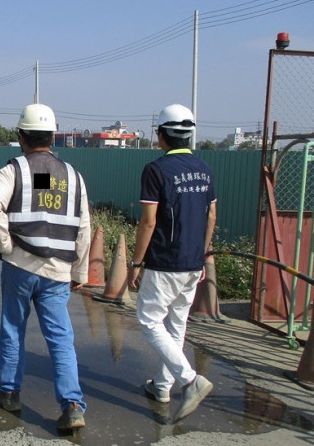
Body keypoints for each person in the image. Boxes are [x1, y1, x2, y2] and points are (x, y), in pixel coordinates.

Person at [0, 103, 91, 431]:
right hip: (58, 270)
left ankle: (9, 393)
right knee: (60, 337)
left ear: (20, 136)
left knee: (14, 327)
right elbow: (83, 227)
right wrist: (80, 272)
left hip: (20, 266)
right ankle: (72, 405)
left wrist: (5, 246)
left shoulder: (15, 170)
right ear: (53, 135)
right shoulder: (72, 175)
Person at [127, 103, 217, 422]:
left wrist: (136, 264)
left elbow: (149, 222)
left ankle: (189, 380)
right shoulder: (205, 169)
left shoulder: (156, 170)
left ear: (162, 135)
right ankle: (163, 386)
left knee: (151, 322)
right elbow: (211, 216)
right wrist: (203, 254)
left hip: (165, 261)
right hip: (193, 263)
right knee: (176, 325)